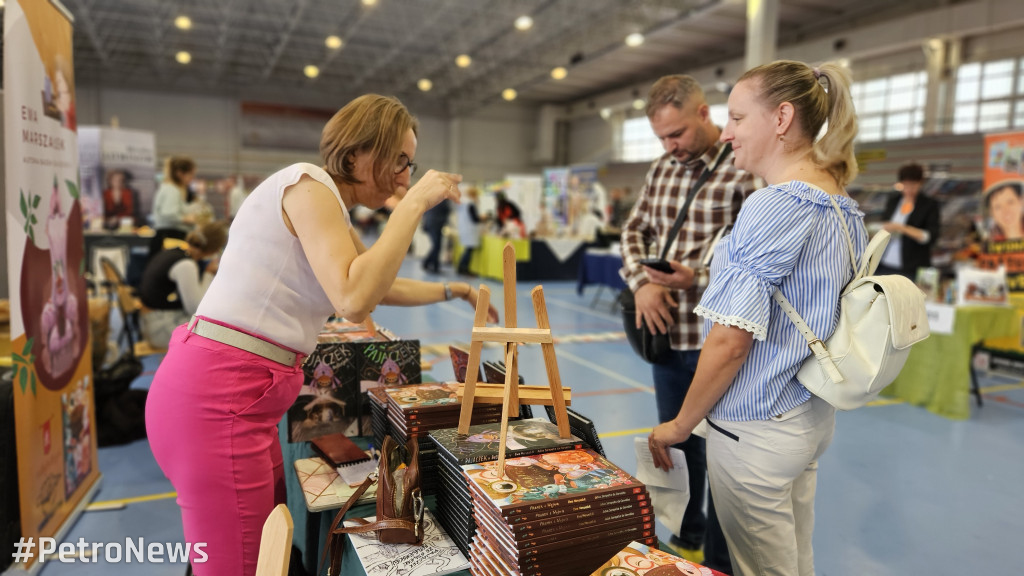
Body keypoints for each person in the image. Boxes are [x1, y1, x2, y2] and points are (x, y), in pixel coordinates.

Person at [145, 94, 498, 576]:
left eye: (410, 165)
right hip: (217, 399)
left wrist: (453, 289)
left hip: (236, 400)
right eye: (398, 160)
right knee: (244, 565)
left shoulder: (328, 205)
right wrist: (414, 205)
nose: (404, 176)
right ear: (356, 154)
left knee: (267, 547)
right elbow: (353, 298)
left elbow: (378, 282)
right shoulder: (309, 185)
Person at [646, 60, 866, 576]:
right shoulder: (841, 204)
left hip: (756, 425)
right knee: (793, 558)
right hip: (806, 414)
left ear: (782, 118)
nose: (727, 133)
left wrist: (681, 425)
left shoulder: (773, 205)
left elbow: (730, 342)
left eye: (738, 118)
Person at [619, 74, 759, 572]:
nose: (669, 145)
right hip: (668, 341)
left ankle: (719, 559)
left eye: (675, 134)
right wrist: (644, 283)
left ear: (705, 114)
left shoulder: (744, 173)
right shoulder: (661, 169)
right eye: (661, 137)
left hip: (718, 341)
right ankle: (688, 532)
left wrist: (693, 277)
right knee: (678, 447)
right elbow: (633, 232)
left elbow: (754, 264)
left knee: (718, 453)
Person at [138, 221, 228, 349]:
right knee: (220, 331)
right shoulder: (186, 265)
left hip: (151, 321)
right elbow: (196, 309)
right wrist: (208, 273)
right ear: (213, 250)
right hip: (158, 329)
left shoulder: (173, 252)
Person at [876, 163, 941, 278]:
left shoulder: (929, 205)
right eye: (905, 185)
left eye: (913, 185)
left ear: (921, 183)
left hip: (912, 266)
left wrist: (901, 228)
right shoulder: (893, 200)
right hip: (885, 263)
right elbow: (884, 223)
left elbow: (930, 236)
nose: (908, 189)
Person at [152, 156, 197, 234]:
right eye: (191, 174)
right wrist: (187, 219)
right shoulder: (172, 190)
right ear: (180, 174)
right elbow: (169, 214)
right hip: (170, 236)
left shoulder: (171, 188)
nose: (192, 178)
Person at [456, 186, 487, 275]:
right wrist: (483, 218)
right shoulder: (471, 204)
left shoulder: (463, 203)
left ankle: (461, 267)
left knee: (467, 250)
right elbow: (474, 219)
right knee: (469, 250)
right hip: (470, 230)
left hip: (465, 228)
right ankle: (463, 268)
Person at [421, 197, 451, 274]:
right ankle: (433, 266)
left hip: (431, 224)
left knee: (436, 246)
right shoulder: (442, 200)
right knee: (437, 246)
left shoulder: (433, 199)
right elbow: (447, 210)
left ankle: (429, 263)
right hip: (436, 225)